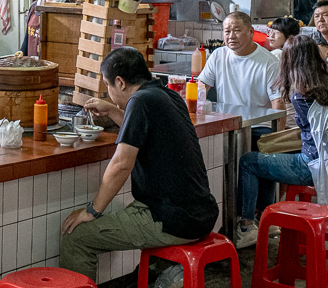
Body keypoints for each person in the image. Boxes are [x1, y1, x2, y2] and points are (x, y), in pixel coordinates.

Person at [59, 47, 218, 281]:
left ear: (120, 83)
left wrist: (92, 210)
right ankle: (165, 274)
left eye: (108, 86)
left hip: (171, 218)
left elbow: (121, 164)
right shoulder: (167, 95)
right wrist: (113, 111)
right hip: (201, 212)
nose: (109, 93)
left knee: (77, 236)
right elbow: (145, 130)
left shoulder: (140, 101)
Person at [235, 36, 328, 249]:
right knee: (264, 159)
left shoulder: (303, 96)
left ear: (288, 62)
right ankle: (265, 222)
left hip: (313, 165)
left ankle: (247, 227)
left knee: (249, 162)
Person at [197, 12, 283, 113]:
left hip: (258, 124)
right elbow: (202, 85)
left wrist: (278, 129)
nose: (231, 36)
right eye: (227, 31)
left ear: (251, 31)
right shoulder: (218, 55)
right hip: (226, 122)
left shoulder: (269, 62)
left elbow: (278, 101)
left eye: (237, 31)